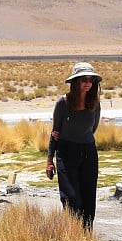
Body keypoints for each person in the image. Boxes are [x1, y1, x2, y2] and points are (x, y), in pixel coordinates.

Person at [46, 62, 102, 230]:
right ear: (75, 82)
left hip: (88, 153)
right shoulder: (63, 103)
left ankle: (86, 235)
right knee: (71, 197)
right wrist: (50, 160)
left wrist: (82, 140)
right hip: (66, 153)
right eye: (83, 79)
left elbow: (93, 129)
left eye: (91, 79)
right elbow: (55, 132)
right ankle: (73, 233)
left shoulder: (94, 104)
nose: (88, 83)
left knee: (88, 197)